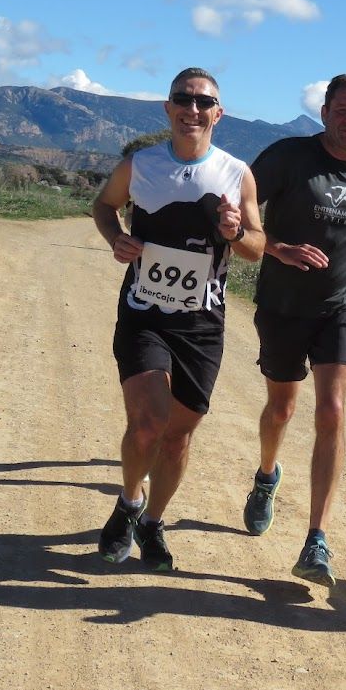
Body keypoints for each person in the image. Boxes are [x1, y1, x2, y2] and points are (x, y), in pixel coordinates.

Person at [93, 67, 264, 570]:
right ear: (167, 109)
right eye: (182, 100)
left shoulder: (236, 173)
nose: (193, 109)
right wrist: (116, 237)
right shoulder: (139, 165)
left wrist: (235, 233)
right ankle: (128, 504)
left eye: (203, 102)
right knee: (147, 422)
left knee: (179, 436)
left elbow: (257, 248)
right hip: (144, 311)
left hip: (201, 324)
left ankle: (153, 522)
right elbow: (104, 207)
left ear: (218, 113)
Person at [241, 72, 346, 588]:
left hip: (342, 305)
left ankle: (316, 539)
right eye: (342, 109)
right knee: (282, 407)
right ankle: (267, 476)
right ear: (325, 110)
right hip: (283, 304)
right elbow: (239, 215)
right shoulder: (288, 156)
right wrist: (278, 249)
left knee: (331, 409)